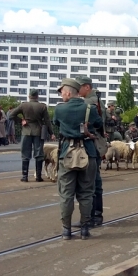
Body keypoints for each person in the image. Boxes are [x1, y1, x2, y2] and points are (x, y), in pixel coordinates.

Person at [53, 78, 102, 240]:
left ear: (67, 92)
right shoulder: (90, 108)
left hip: (67, 153)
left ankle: (66, 230)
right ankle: (85, 229)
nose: (61, 95)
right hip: (88, 153)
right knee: (87, 193)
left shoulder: (59, 110)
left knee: (66, 194)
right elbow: (100, 124)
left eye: (61, 92)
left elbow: (56, 124)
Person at [75, 75, 107, 227]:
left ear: (87, 87)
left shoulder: (88, 103)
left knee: (90, 182)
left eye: (79, 87)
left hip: (89, 143)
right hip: (97, 143)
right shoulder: (98, 101)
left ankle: (92, 217)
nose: (77, 90)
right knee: (95, 180)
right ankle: (96, 215)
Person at [9, 89, 54, 182]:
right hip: (38, 132)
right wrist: (51, 133)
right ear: (37, 96)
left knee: (25, 154)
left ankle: (25, 176)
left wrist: (21, 120)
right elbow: (47, 121)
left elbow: (11, 115)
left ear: (29, 96)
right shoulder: (42, 106)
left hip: (26, 131)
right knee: (39, 154)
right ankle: (38, 176)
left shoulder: (23, 105)